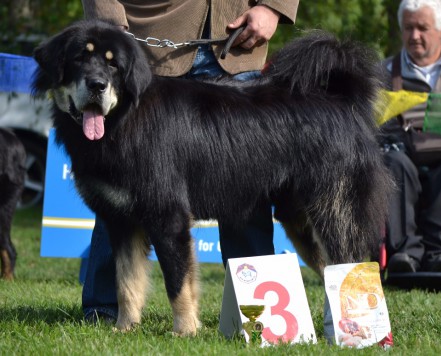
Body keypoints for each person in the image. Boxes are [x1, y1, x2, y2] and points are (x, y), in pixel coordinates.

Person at [80, 0, 299, 322]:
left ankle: (261, 315)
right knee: (117, 189)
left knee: (249, 194)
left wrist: (273, 7)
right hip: (145, 44)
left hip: (238, 43)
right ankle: (106, 308)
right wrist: (109, 23)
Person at [382, 0, 441, 274]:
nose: (414, 36)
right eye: (408, 28)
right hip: (403, 157)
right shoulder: (384, 73)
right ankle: (404, 254)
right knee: (393, 163)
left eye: (422, 28)